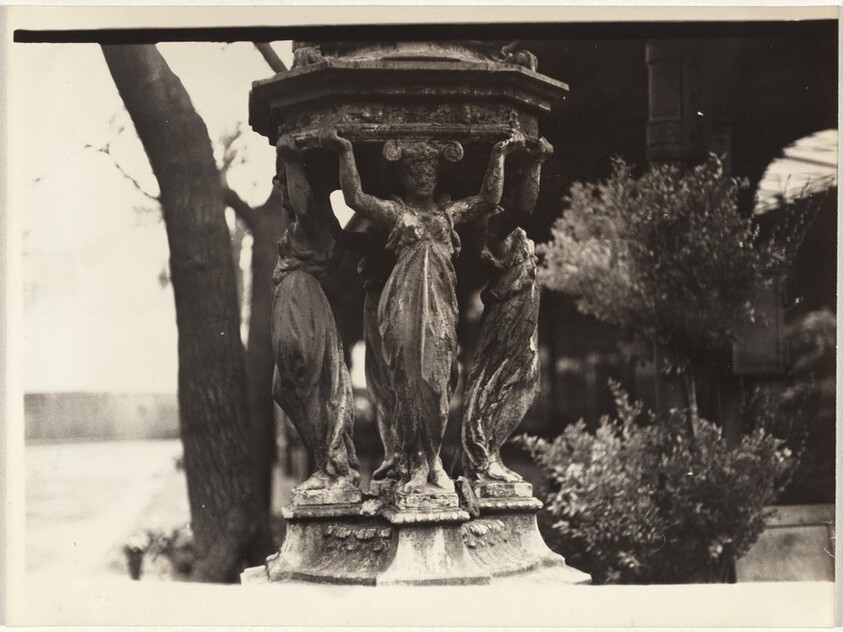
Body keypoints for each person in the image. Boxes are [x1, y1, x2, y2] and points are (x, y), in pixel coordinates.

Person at [324, 128, 526, 494]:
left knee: (439, 378)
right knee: (406, 379)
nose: (422, 178)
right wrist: (345, 152)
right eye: (415, 173)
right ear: (404, 176)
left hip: (440, 310)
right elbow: (356, 198)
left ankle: (432, 463)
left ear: (437, 177)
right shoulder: (398, 215)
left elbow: (486, 197)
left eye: (429, 173)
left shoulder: (449, 215)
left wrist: (499, 154)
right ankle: (412, 464)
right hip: (402, 307)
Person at [271, 136, 359, 494]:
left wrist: (291, 158)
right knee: (286, 388)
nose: (282, 191)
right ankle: (328, 460)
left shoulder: (313, 220)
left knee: (307, 383)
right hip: (293, 299)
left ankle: (333, 464)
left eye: (285, 185)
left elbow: (304, 205)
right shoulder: (304, 225)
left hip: (301, 301)